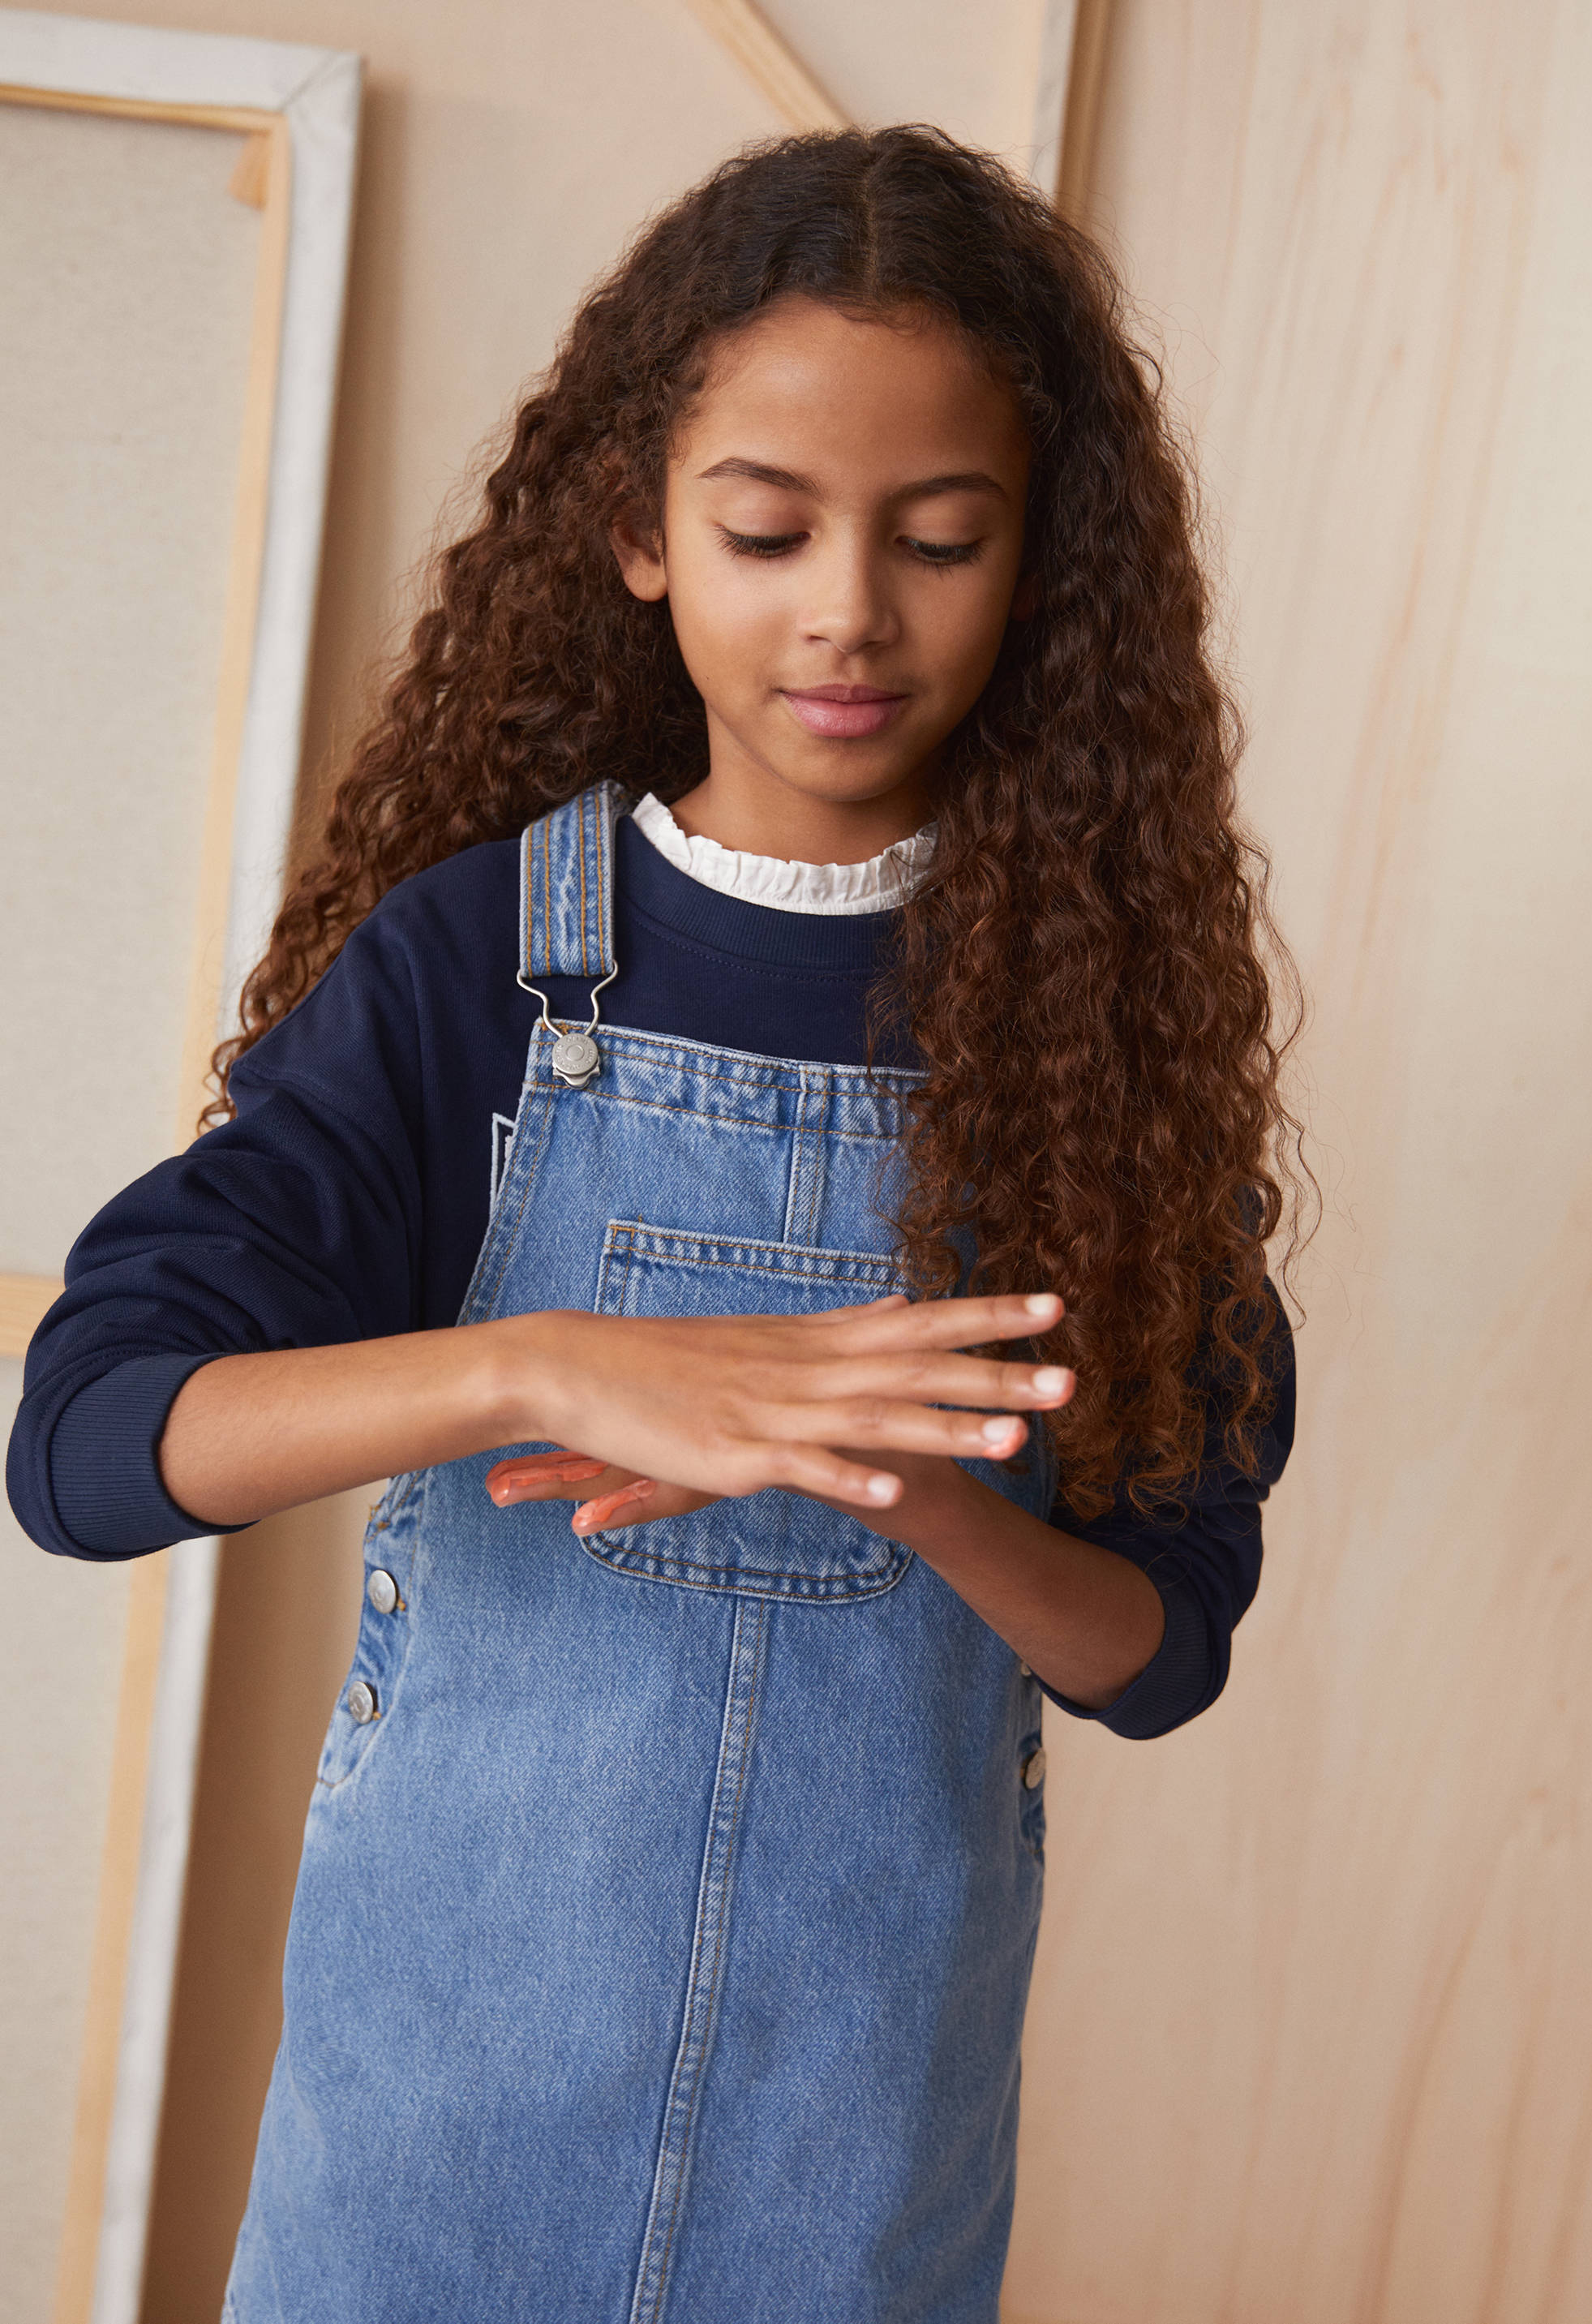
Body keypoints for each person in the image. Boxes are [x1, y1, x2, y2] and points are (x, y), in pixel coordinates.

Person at [8, 127, 1303, 2323]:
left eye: (944, 538)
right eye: (768, 527)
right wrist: (544, 1357)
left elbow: (1156, 1647)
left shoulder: (1084, 1039)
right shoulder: (473, 974)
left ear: (1039, 561)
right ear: (634, 530)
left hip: (854, 2162)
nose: (848, 613)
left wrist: (934, 1499)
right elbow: (90, 1442)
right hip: (424, 2155)